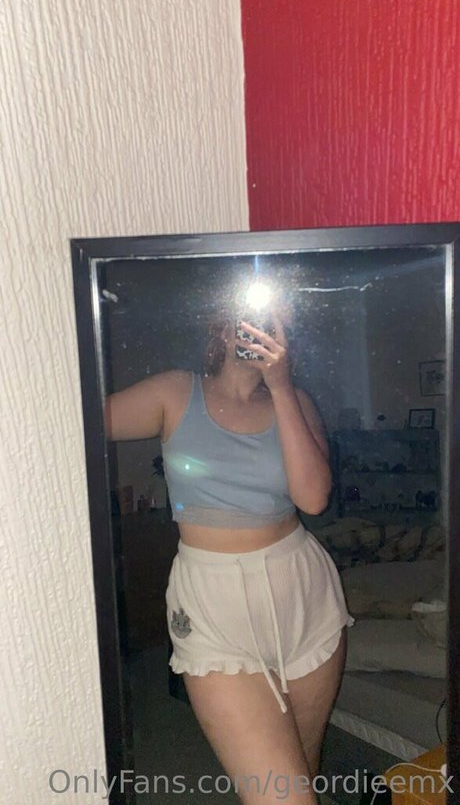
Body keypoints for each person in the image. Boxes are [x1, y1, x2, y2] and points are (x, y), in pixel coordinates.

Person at [105, 310, 354, 805]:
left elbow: (313, 499)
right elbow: (72, 415)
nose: (261, 333)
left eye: (275, 324)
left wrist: (280, 387)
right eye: (248, 321)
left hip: (304, 591)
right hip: (212, 601)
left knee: (303, 772)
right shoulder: (175, 393)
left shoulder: (296, 401)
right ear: (221, 329)